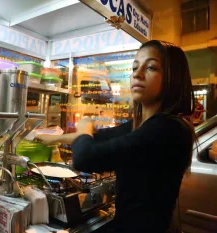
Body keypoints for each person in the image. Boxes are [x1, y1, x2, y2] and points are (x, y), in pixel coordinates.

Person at [35, 40, 196, 233]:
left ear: (173, 77)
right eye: (135, 67)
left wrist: (85, 126)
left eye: (151, 67)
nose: (137, 73)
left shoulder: (168, 129)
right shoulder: (144, 124)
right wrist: (52, 138)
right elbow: (98, 136)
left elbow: (86, 158)